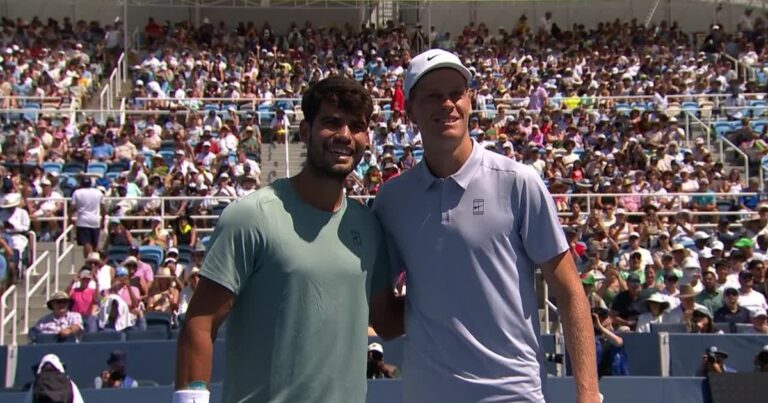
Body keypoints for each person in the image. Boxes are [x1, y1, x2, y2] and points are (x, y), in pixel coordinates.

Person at [370, 49, 600, 403]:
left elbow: (570, 293)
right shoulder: (391, 200)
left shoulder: (518, 182)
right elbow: (385, 322)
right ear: (409, 109)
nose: (447, 104)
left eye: (455, 93)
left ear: (470, 100)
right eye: (432, 95)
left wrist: (588, 396)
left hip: (514, 395)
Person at [175, 76, 388, 403]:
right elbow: (200, 324)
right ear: (305, 132)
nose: (344, 135)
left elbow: (387, 318)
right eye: (331, 122)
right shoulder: (250, 216)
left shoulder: (369, 226)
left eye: (356, 126)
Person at [70, 177, 105, 258]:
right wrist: (102, 220)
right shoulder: (98, 192)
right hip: (95, 220)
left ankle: (88, 261)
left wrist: (70, 218)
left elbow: (72, 207)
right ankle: (95, 260)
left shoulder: (77, 192)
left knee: (86, 242)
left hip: (83, 220)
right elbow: (103, 208)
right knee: (94, 243)